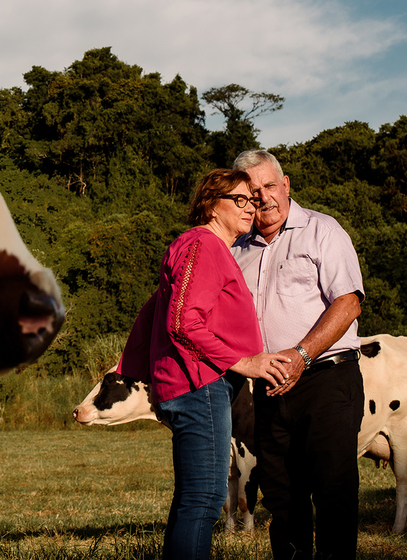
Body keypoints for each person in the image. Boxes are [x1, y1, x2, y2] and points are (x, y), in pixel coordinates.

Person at [119, 168, 291, 560]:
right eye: (240, 200)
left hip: (191, 385)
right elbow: (182, 321)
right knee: (205, 500)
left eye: (253, 199)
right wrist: (243, 361)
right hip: (200, 387)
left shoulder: (198, 246)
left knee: (194, 498)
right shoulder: (205, 245)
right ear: (213, 205)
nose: (252, 207)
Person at [231, 149, 364, 560]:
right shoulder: (238, 249)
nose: (263, 197)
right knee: (282, 498)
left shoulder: (322, 230)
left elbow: (348, 302)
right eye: (252, 191)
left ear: (285, 185)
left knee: (333, 493)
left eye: (270, 185)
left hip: (325, 378)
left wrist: (301, 355)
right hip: (269, 388)